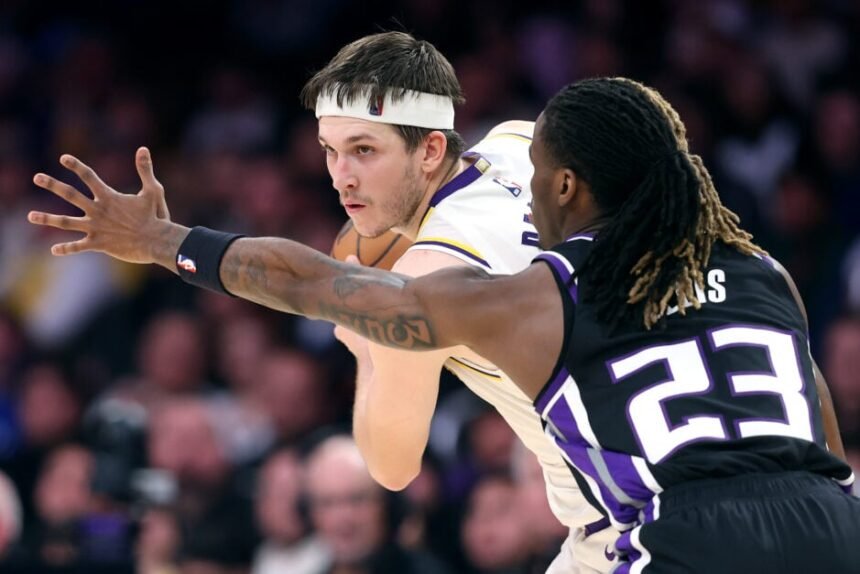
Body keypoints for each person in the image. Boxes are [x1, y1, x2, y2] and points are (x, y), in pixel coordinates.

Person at [27, 75, 860, 571]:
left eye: (536, 176)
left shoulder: (540, 296)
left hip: (686, 537)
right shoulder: (763, 269)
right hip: (833, 525)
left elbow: (322, 285)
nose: (527, 193)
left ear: (569, 187)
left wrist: (168, 239)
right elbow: (822, 440)